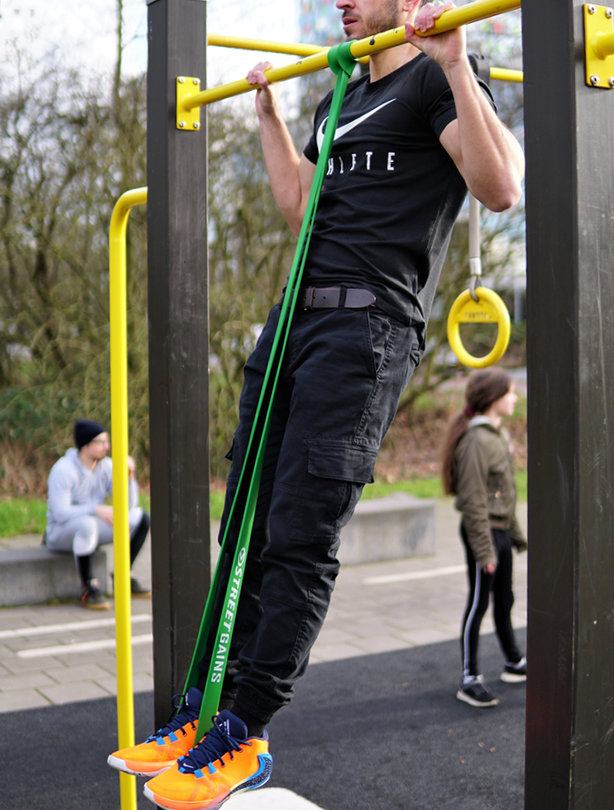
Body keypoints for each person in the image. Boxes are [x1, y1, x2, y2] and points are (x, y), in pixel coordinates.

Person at [108, 1, 524, 806]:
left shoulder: (436, 86)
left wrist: (454, 63)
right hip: (294, 318)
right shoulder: (342, 95)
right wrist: (268, 119)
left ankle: (248, 732)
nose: (340, 0)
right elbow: (301, 212)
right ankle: (206, 714)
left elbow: (500, 185)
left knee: (300, 529)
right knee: (246, 526)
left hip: (365, 329)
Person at [441, 369, 527, 708]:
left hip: (500, 531)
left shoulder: (495, 436)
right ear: (493, 399)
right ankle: (469, 678)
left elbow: (502, 494)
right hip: (484, 532)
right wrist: (485, 549)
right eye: (510, 393)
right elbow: (475, 500)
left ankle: (513, 662)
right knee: (479, 604)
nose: (516, 398)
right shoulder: (477, 441)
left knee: (504, 599)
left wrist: (516, 535)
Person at [45, 418, 151, 609]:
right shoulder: (63, 469)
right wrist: (94, 509)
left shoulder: (107, 466)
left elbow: (128, 506)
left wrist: (130, 477)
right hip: (60, 533)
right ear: (86, 445)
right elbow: (60, 514)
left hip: (91, 528)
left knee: (140, 517)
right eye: (101, 442)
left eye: (106, 441)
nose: (107, 446)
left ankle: (123, 575)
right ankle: (89, 587)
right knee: (88, 524)